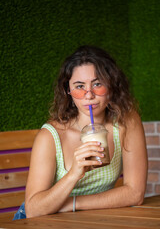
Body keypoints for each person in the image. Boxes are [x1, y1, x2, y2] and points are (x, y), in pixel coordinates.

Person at [13, 45, 147, 219]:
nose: (89, 95)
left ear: (111, 85)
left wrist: (73, 204)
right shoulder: (51, 136)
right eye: (79, 86)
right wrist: (74, 174)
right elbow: (33, 210)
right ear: (68, 90)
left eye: (97, 84)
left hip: (87, 217)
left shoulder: (126, 121)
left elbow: (135, 194)